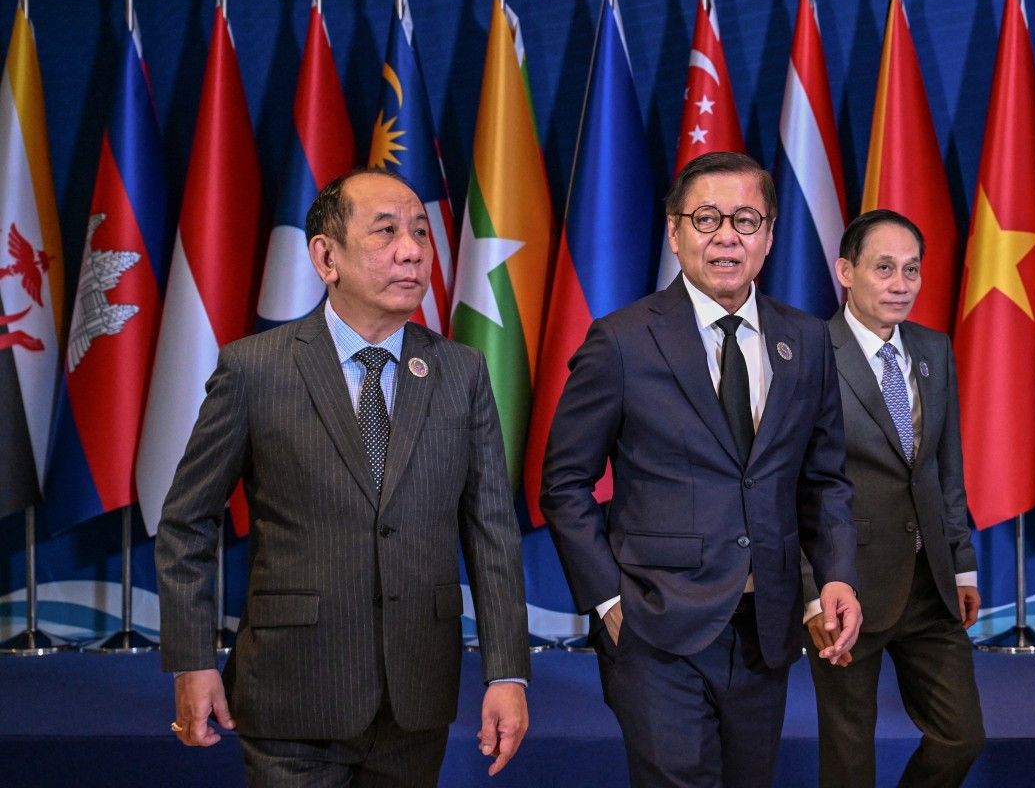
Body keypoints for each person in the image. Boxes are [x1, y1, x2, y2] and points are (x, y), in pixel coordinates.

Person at [155, 168, 531, 786]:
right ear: (326, 257)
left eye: (419, 232)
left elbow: (491, 531)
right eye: (385, 233)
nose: (411, 249)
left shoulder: (460, 372)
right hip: (291, 692)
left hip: (416, 700)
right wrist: (192, 661)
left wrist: (507, 672)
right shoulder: (256, 370)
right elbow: (186, 523)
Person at [540, 151, 862, 787]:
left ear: (769, 235)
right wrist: (609, 601)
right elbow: (564, 483)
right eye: (706, 217)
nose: (725, 236)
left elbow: (824, 481)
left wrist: (837, 576)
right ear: (674, 230)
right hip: (655, 628)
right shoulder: (622, 340)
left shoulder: (807, 340)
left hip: (767, 628)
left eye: (746, 220)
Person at [802, 208, 985, 787]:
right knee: (850, 757)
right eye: (884, 268)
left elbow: (942, 470)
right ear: (845, 271)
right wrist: (813, 593)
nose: (901, 284)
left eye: (911, 269)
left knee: (962, 736)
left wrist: (961, 564)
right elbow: (792, 490)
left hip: (931, 583)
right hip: (846, 587)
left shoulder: (934, 349)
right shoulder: (807, 353)